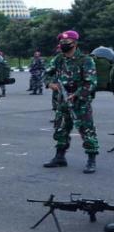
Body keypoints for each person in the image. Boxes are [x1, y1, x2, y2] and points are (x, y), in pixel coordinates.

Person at [43, 30, 98, 174]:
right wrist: (50, 84)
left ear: (75, 43)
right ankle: (60, 157)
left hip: (80, 102)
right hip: (62, 100)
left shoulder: (86, 60)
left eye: (66, 43)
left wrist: (77, 94)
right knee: (61, 129)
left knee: (86, 130)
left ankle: (91, 159)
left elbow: (90, 82)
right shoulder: (59, 59)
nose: (63, 45)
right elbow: (47, 73)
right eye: (61, 43)